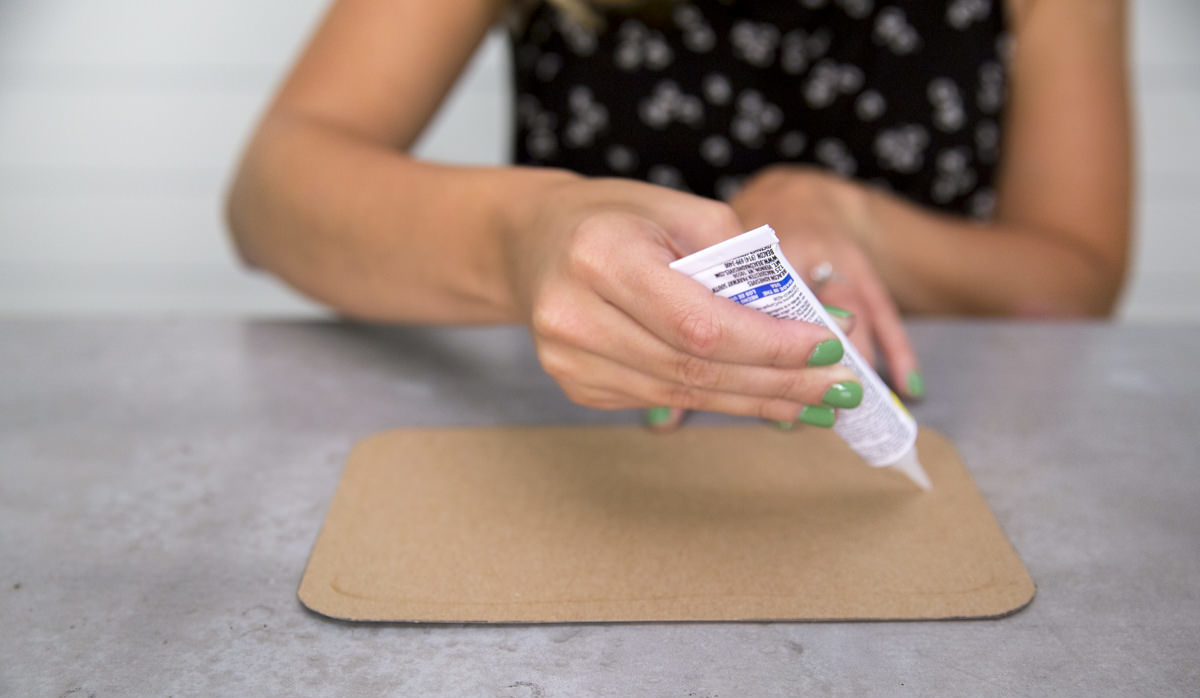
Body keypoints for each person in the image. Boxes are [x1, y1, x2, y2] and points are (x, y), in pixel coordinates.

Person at [226, 0, 1131, 431]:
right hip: (584, 456)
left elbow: (1078, 274)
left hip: (922, 459)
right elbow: (272, 193)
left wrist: (863, 224)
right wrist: (528, 232)